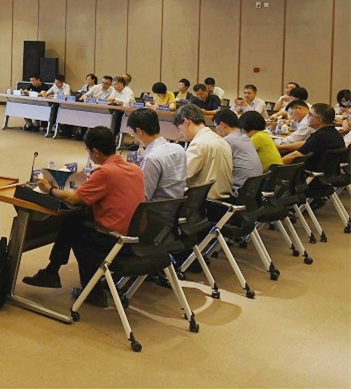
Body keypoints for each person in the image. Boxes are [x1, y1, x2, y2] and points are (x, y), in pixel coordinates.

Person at [21, 127, 144, 308]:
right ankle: (52, 271)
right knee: (75, 220)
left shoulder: (105, 173)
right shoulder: (135, 169)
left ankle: (91, 291)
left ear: (95, 152)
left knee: (73, 225)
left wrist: (49, 189)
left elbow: (74, 199)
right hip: (137, 239)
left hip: (114, 241)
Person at [174, 104, 233, 200]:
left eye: (180, 129)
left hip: (206, 202)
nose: (181, 133)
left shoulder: (199, 143)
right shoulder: (221, 140)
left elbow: (181, 175)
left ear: (186, 122)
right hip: (224, 199)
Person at [126, 109, 186, 201]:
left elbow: (143, 197)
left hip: (155, 208)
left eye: (132, 133)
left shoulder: (152, 159)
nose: (133, 136)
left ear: (139, 131)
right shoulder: (179, 149)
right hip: (176, 206)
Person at [281, 104, 345, 171]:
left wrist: (274, 167)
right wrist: (282, 147)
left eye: (310, 114)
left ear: (319, 120)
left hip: (309, 173)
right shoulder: (335, 134)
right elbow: (306, 143)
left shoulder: (319, 137)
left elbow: (294, 156)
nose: (307, 117)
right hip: (329, 173)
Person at [212, 110, 262, 193]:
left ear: (222, 125)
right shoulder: (245, 137)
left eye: (215, 127)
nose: (216, 131)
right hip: (254, 189)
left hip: (239, 191)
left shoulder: (226, 141)